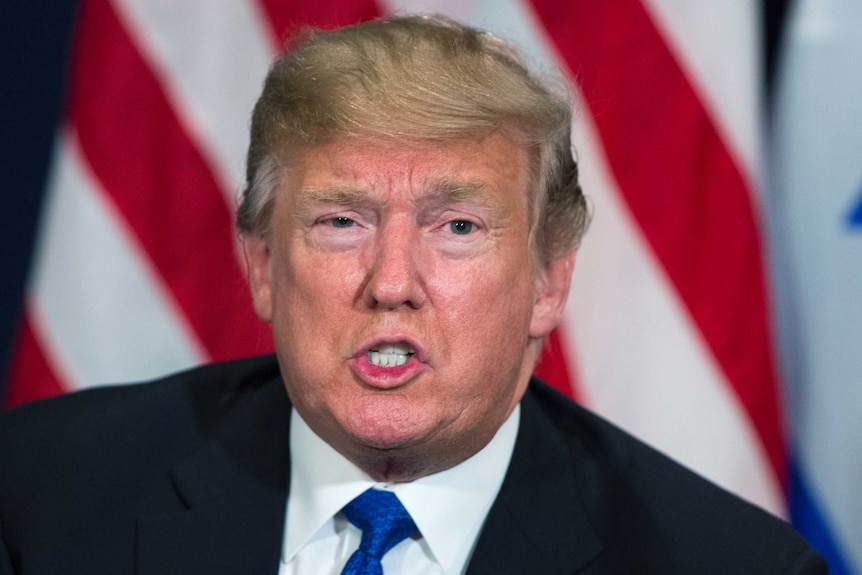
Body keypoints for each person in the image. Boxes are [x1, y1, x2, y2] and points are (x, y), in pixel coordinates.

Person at [0, 14, 825, 575]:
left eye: (457, 226)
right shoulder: (43, 495)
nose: (391, 283)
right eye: (340, 221)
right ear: (259, 263)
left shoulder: (719, 561)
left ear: (549, 278)